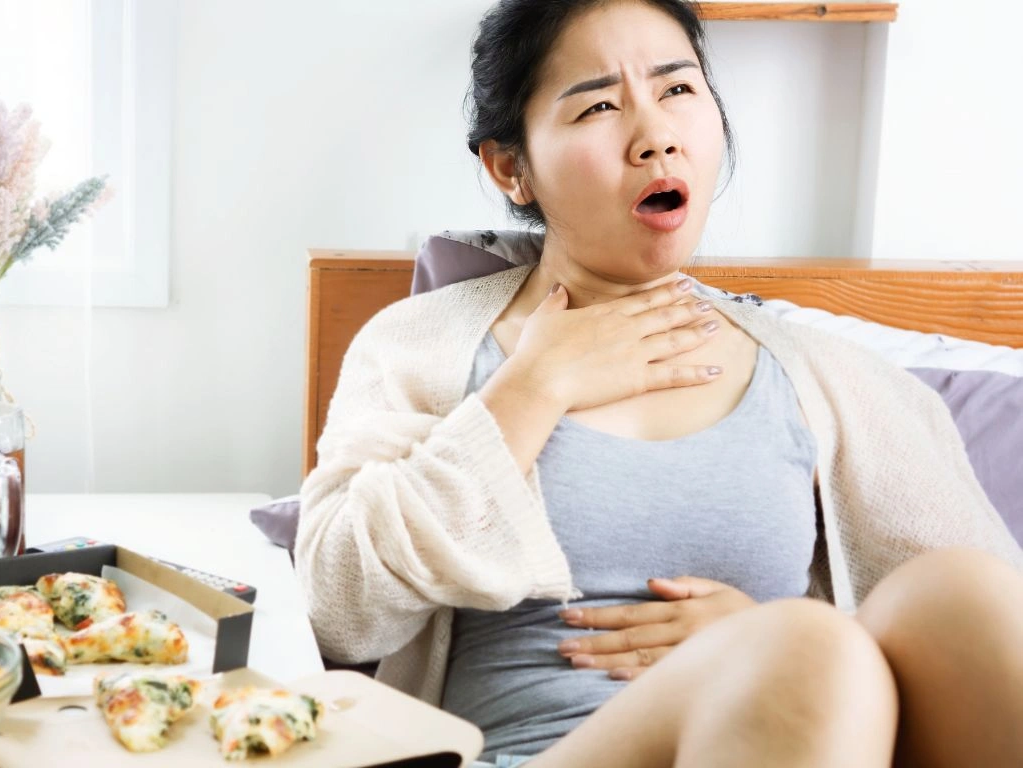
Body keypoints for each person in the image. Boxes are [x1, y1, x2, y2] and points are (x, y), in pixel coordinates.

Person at [295, 1, 1023, 766]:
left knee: (958, 595)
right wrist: (533, 386)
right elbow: (338, 609)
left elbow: (983, 641)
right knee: (799, 648)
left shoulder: (828, 380)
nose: (657, 137)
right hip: (530, 752)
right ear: (511, 168)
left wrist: (756, 632)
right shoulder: (422, 348)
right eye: (600, 105)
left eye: (678, 91)